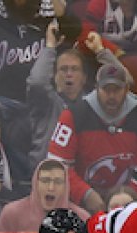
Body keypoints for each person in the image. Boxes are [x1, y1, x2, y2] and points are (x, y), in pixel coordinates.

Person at [47, 50, 137, 213]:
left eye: (117, 89)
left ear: (127, 89)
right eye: (106, 89)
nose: (111, 96)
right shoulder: (73, 115)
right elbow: (57, 164)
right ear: (96, 88)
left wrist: (125, 204)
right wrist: (85, 194)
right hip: (79, 203)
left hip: (127, 203)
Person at [26, 23, 116, 166]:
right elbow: (37, 81)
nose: (69, 74)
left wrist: (100, 51)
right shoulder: (46, 101)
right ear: (55, 76)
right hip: (48, 176)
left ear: (84, 77)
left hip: (83, 175)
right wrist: (50, 46)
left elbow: (124, 83)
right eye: (63, 69)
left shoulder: (94, 103)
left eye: (74, 69)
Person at [0, 158, 89, 233]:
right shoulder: (11, 214)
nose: (51, 187)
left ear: (66, 186)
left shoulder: (81, 218)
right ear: (36, 183)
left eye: (58, 182)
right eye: (45, 181)